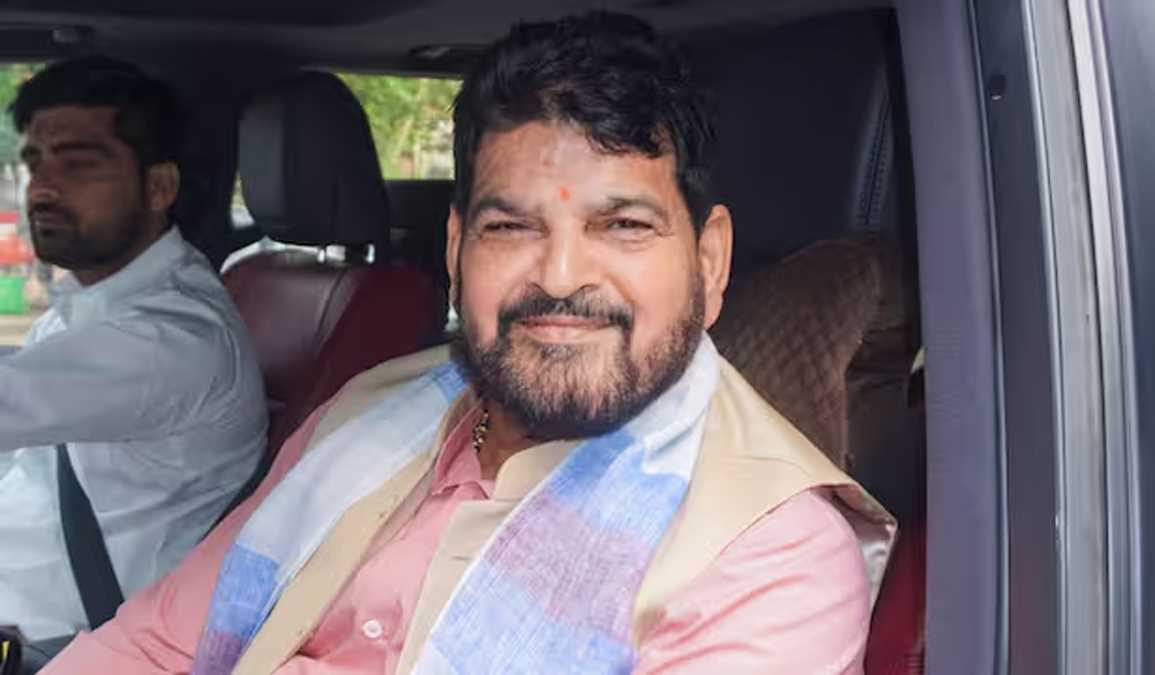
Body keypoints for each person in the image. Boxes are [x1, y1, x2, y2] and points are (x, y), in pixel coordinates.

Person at [45, 13, 894, 674]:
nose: (560, 275)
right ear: (456, 251)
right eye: (511, 226)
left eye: (624, 225)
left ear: (708, 262)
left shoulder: (770, 556)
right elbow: (154, 644)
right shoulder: (372, 407)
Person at [0, 57, 267, 642]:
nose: (42, 187)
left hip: (56, 645)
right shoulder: (94, 306)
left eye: (77, 164)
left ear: (159, 187)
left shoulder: (172, 338)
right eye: (36, 163)